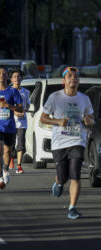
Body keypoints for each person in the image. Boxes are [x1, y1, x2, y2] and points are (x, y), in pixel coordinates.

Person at [40, 67, 94, 220]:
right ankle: (59, 182)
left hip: (77, 140)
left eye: (76, 77)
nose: (73, 79)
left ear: (78, 81)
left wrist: (89, 121)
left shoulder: (84, 99)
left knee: (75, 174)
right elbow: (43, 118)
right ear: (63, 81)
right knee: (63, 176)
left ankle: (72, 208)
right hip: (59, 143)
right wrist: (57, 121)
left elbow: (91, 120)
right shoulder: (55, 97)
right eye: (69, 76)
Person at [9, 69, 30, 174]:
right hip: (10, 122)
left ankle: (19, 166)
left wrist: (24, 110)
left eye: (19, 76)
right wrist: (15, 113)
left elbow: (28, 104)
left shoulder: (26, 92)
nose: (17, 78)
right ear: (11, 79)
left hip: (22, 122)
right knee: (11, 144)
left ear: (22, 78)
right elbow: (4, 106)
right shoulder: (8, 91)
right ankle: (12, 158)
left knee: (21, 144)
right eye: (15, 76)